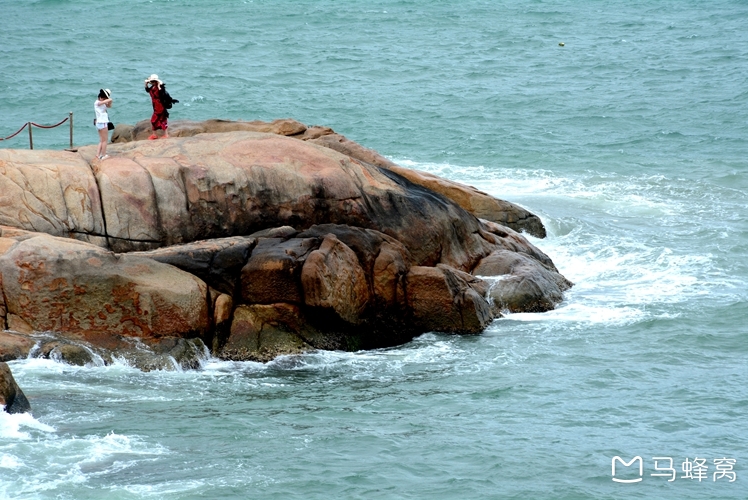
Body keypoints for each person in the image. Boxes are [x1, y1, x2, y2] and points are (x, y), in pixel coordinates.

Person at [144, 74, 169, 139]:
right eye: (151, 82)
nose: (152, 83)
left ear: (156, 81)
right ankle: (157, 134)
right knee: (160, 120)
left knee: (156, 120)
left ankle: (160, 134)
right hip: (155, 107)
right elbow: (148, 90)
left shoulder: (159, 88)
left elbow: (162, 94)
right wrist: (146, 84)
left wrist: (159, 86)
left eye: (153, 81)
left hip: (160, 107)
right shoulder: (152, 87)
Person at [94, 88, 112, 159]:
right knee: (105, 140)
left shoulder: (102, 103)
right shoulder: (97, 102)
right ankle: (103, 155)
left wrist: (108, 101)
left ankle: (98, 154)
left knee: (101, 140)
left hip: (99, 123)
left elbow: (109, 106)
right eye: (102, 98)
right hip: (102, 123)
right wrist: (108, 99)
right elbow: (109, 100)